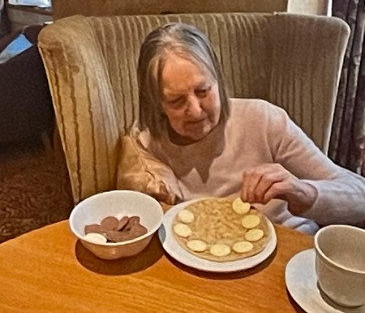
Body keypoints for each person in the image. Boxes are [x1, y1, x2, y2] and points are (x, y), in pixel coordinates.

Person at [134, 22, 365, 235]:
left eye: (203, 91)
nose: (195, 110)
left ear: (218, 81)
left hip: (291, 247)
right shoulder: (148, 148)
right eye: (176, 101)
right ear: (156, 103)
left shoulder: (262, 120)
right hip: (207, 263)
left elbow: (360, 196)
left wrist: (303, 192)